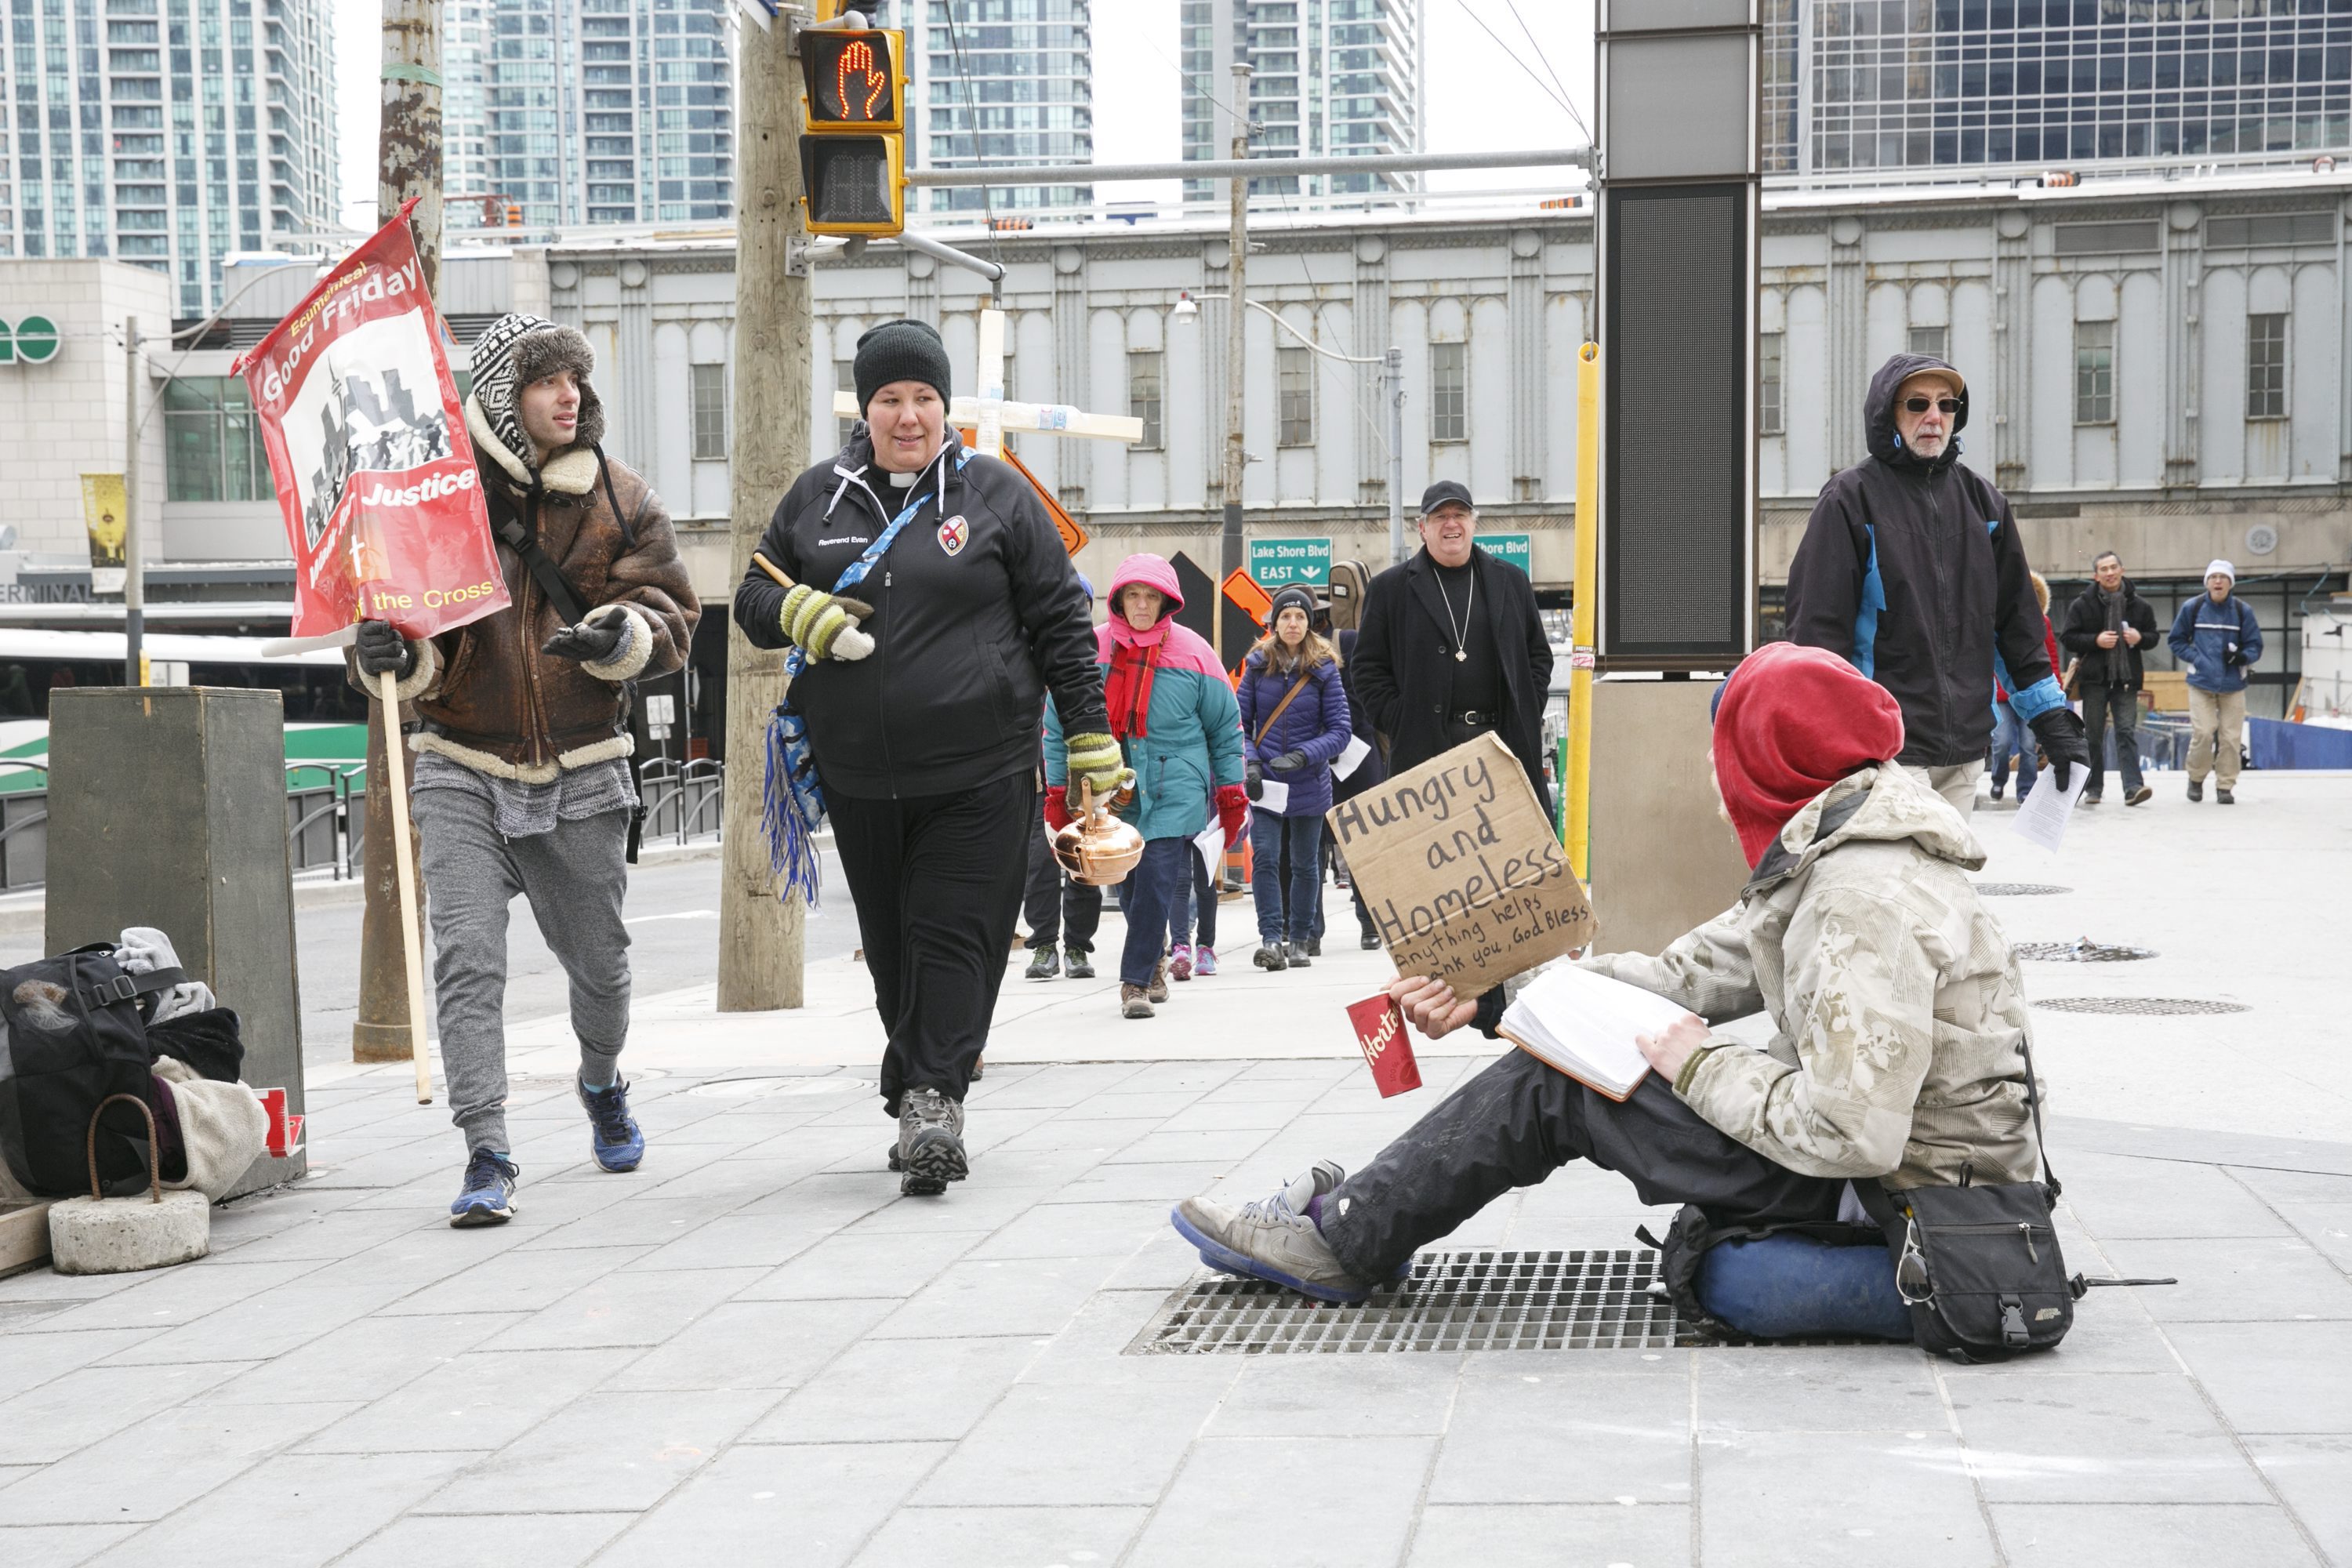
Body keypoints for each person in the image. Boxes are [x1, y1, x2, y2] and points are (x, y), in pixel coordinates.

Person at [1171, 641, 2040, 1305]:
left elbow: (1858, 1132)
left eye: (1723, 747)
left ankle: (1349, 1236)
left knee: (1561, 1087)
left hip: (1905, 1194)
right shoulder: (1835, 855)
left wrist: (1695, 1062)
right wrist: (1495, 998)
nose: (1712, 770)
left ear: (1773, 756)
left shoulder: (1862, 896)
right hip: (1892, 1169)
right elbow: (1679, 977)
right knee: (1572, 1058)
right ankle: (1362, 1218)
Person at [734, 318, 1115, 1195]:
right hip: (860, 773)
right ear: (864, 408)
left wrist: (1088, 735)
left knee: (954, 931)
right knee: (894, 945)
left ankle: (936, 1098)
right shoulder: (814, 499)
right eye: (890, 399)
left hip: (981, 765)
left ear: (948, 406)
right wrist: (803, 614)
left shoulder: (995, 493)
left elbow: (1061, 619)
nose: (909, 416)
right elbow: (754, 589)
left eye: (925, 399)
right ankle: (916, 1079)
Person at [349, 312, 700, 1228]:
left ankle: (601, 1079)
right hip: (460, 762)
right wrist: (388, 651)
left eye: (574, 379)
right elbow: (407, 634)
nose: (567, 394)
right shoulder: (437, 502)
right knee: (467, 962)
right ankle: (487, 1150)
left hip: (586, 766)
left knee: (604, 967)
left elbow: (672, 615)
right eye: (545, 380)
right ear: (504, 398)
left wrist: (622, 636)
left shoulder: (623, 498)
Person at [1784, 352, 2087, 814]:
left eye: (1947, 405)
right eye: (1917, 404)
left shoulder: (1985, 503)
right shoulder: (1850, 498)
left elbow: (2017, 626)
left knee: (1949, 886)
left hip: (1965, 750)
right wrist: (1831, 736)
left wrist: (2051, 718)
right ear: (1888, 414)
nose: (1934, 417)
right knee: (1897, 886)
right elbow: (1817, 632)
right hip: (1884, 752)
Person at [1044, 554, 1246, 1021]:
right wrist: (1058, 793)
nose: (1141, 605)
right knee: (1130, 890)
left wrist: (1231, 792)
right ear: (1117, 599)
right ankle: (1153, 959)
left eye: (1151, 596)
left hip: (1176, 789)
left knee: (1155, 881)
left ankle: (1134, 983)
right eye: (1133, 595)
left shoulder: (1196, 652)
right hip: (1110, 791)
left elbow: (1225, 728)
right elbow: (1057, 726)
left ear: (1166, 602)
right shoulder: (1089, 649)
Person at [1352, 481, 1553, 806]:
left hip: (1501, 743)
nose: (1451, 524)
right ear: (1422, 528)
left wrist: (1527, 707)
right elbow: (1367, 668)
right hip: (1425, 744)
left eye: (1459, 514)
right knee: (1430, 852)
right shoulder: (1390, 588)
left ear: (1473, 523)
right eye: (1439, 516)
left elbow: (1538, 656)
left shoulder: (1511, 580)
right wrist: (1399, 718)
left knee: (1502, 849)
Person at [1236, 586, 1353, 971]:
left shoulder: (1323, 668)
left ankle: (1301, 939)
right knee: (1267, 859)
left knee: (1306, 864)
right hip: (1266, 782)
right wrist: (1251, 763)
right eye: (1285, 616)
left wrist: (1305, 755)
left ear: (1309, 622)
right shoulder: (1256, 664)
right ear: (1273, 622)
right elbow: (1240, 725)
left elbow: (1340, 731)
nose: (1292, 623)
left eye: (1299, 616)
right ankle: (1272, 937)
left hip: (1308, 782)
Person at [1025, 575, 1104, 982]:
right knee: (1038, 865)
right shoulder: (1026, 647)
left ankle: (1076, 945)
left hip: (1083, 780)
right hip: (1035, 778)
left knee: (1083, 864)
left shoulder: (1096, 652)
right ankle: (1042, 946)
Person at [2060, 552, 2161, 807]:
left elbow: (2153, 636)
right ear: (2096, 576)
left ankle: (2133, 788)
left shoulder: (2140, 605)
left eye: (2113, 567)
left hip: (2126, 680)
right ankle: (2094, 788)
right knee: (2093, 735)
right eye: (2104, 569)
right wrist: (2095, 640)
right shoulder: (2082, 604)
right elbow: (2069, 638)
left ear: (2122, 570)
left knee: (2126, 732)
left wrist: (2140, 638)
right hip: (2094, 680)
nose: (2110, 572)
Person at [2169, 559, 2263, 804]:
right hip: (2201, 682)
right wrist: (2196, 659)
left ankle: (2225, 785)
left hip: (2234, 685)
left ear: (2230, 583)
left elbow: (2255, 645)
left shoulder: (2243, 611)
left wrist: (2242, 656)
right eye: (2213, 577)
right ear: (2207, 582)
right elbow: (2176, 640)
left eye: (2223, 577)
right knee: (2204, 732)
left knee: (2231, 738)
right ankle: (2196, 778)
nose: (2218, 581)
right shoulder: (2193, 607)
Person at [1987, 572, 2063, 803]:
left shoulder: (2043, 623)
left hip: (2034, 692)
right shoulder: (1994, 622)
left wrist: (2057, 688)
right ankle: (1998, 780)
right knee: (2001, 743)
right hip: (2003, 694)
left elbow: (2050, 657)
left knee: (2029, 746)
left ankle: (2026, 791)